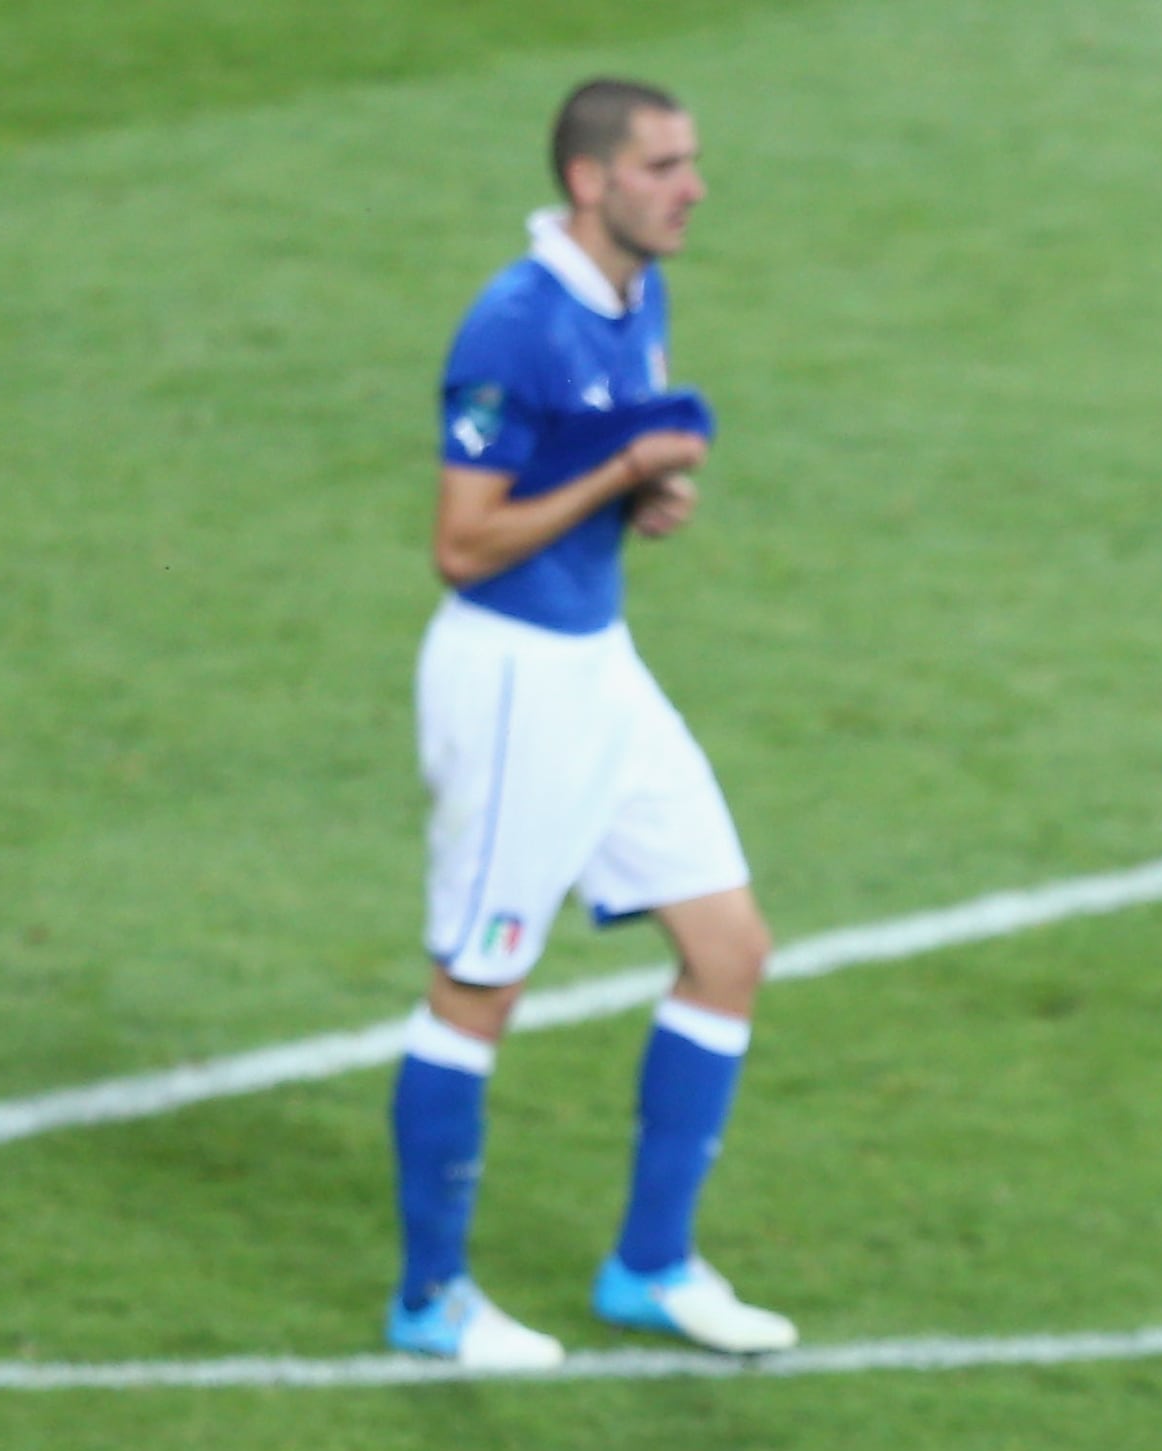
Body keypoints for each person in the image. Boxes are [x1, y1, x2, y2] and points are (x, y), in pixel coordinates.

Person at [380, 78, 786, 1370]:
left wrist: (635, 503)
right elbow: (463, 541)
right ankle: (429, 1296)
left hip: (597, 663)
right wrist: (618, 473)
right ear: (591, 180)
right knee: (479, 986)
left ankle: (651, 1265)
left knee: (728, 946)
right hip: (511, 684)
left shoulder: (636, 293)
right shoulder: (514, 324)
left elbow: (587, 478)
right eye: (665, 165)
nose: (692, 186)